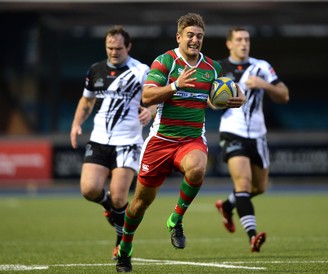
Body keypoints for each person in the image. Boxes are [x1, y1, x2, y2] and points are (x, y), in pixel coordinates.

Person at [115, 13, 245, 272]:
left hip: (192, 139)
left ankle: (176, 219)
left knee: (198, 168)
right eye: (190, 35)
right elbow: (148, 96)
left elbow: (213, 96)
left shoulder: (212, 68)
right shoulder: (165, 62)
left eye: (199, 36)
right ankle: (125, 249)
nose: (195, 40)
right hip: (161, 141)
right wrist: (175, 86)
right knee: (140, 203)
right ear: (179, 37)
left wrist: (233, 97)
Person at [70, 25, 153, 260]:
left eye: (118, 48)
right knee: (89, 190)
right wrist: (76, 124)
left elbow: (156, 98)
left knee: (120, 197)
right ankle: (108, 207)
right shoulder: (95, 70)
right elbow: (86, 102)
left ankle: (122, 244)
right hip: (99, 139)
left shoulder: (141, 71)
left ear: (128, 47)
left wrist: (151, 112)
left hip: (128, 141)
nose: (113, 52)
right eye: (109, 48)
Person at [215, 26, 289, 252]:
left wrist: (263, 85)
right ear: (229, 43)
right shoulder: (219, 68)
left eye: (246, 39)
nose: (244, 43)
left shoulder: (262, 67)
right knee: (244, 184)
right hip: (232, 131)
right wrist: (219, 99)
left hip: (258, 135)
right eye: (238, 39)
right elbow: (208, 101)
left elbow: (284, 95)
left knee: (260, 187)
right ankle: (253, 236)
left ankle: (227, 205)